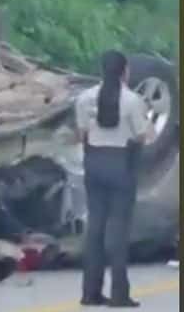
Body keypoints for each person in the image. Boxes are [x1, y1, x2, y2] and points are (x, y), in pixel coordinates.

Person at [75, 50, 153, 308]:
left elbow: (82, 133)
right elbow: (143, 136)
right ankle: (119, 295)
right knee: (117, 232)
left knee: (95, 229)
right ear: (125, 71)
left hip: (94, 164)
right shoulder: (132, 101)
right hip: (121, 164)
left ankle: (90, 292)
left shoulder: (85, 98)